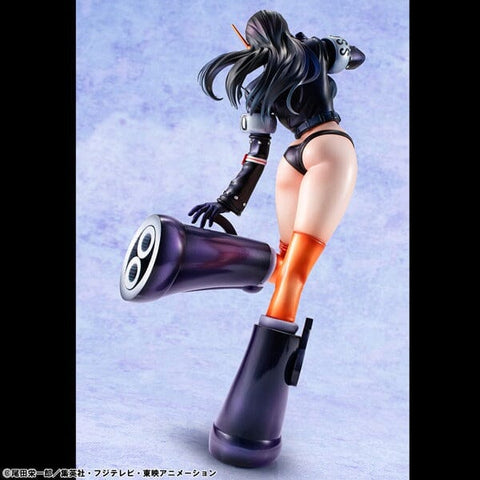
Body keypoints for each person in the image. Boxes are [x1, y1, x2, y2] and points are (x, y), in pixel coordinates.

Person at [189, 10, 365, 324]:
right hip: (329, 146)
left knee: (285, 265)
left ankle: (197, 256)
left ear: (251, 45)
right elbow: (357, 57)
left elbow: (256, 157)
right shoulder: (315, 50)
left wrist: (226, 201)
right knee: (293, 273)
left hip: (291, 159)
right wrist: (329, 48)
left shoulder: (257, 90)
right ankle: (269, 352)